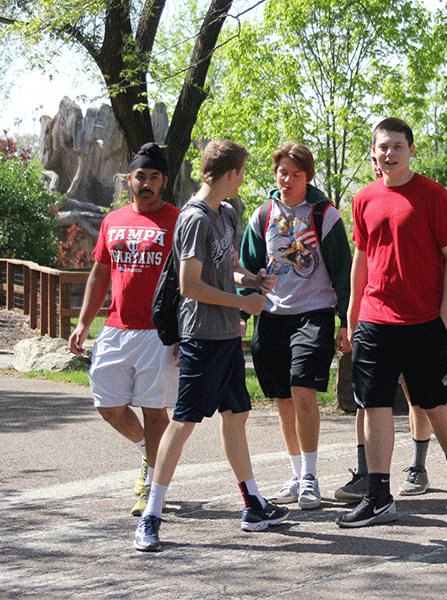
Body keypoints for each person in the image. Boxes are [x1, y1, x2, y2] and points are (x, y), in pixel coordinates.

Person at [134, 140, 288, 552]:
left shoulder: (228, 213)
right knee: (183, 423)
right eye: (243, 172)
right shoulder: (195, 218)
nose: (243, 178)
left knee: (236, 415)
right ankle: (152, 514)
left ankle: (252, 503)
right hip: (201, 336)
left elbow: (227, 270)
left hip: (226, 337)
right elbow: (189, 286)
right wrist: (244, 304)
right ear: (232, 173)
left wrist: (252, 280)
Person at [337, 118, 447, 528]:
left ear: (411, 150)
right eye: (382, 147)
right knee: (374, 404)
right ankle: (379, 496)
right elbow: (361, 259)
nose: (389, 154)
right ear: (373, 153)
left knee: (433, 402)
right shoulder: (364, 199)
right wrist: (353, 311)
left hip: (423, 321)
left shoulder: (432, 195)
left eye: (397, 146)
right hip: (376, 320)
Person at [238, 141, 352, 511]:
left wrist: (344, 320)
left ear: (308, 177)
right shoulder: (263, 214)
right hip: (271, 316)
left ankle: (311, 477)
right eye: (283, 172)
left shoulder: (325, 214)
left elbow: (342, 271)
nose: (288, 180)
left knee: (303, 389)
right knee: (284, 398)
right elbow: (247, 267)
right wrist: (242, 312)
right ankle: (295, 472)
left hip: (313, 312)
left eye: (296, 174)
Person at [68, 143, 179, 517]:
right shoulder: (112, 221)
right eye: (140, 177)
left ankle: (152, 483)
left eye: (153, 178)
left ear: (163, 182)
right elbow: (99, 273)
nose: (146, 184)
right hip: (116, 326)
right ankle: (149, 451)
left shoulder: (177, 219)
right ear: (129, 179)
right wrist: (84, 321)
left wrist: (183, 332)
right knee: (108, 404)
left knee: (154, 409)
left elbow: (189, 277)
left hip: (159, 331)